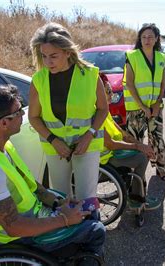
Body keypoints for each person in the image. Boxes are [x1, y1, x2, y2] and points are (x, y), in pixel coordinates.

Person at [0, 85, 105, 257]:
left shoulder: (1, 146)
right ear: (4, 123)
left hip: (36, 216)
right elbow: (14, 227)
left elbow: (30, 184)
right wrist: (64, 220)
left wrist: (57, 202)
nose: (23, 115)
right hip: (20, 238)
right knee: (96, 230)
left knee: (90, 209)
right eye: (18, 111)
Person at [28, 22, 108, 202]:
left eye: (54, 56)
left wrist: (89, 135)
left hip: (86, 144)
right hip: (55, 147)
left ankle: (90, 229)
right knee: (61, 198)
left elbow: (103, 109)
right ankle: (71, 229)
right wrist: (54, 141)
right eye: (44, 56)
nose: (48, 62)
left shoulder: (90, 75)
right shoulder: (38, 80)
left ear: (67, 52)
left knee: (86, 199)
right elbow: (33, 117)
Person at [100, 74, 161, 210]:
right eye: (108, 91)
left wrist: (142, 146)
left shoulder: (105, 112)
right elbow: (110, 144)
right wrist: (138, 147)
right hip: (105, 159)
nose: (111, 94)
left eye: (111, 91)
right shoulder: (97, 115)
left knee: (143, 153)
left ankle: (138, 194)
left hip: (114, 152)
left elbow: (124, 135)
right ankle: (136, 197)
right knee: (141, 158)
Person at [123, 23, 165, 181]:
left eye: (150, 37)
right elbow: (129, 83)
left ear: (156, 39)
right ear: (140, 39)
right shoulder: (132, 55)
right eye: (143, 37)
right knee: (134, 141)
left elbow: (163, 83)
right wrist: (143, 107)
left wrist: (156, 104)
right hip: (136, 107)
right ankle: (132, 173)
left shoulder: (161, 57)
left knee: (157, 138)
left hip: (155, 107)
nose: (147, 40)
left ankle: (161, 169)